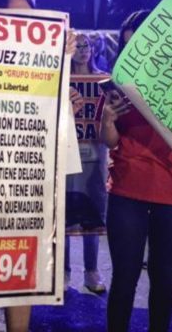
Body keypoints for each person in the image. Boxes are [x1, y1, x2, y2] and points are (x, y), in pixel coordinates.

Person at [0, 0, 78, 332]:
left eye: (30, 17)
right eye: (14, 17)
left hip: (25, 187)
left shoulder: (43, 65)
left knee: (21, 273)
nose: (23, 24)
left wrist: (63, 77)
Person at [101, 9, 172, 332]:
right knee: (125, 278)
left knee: (163, 278)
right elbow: (110, 141)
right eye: (127, 48)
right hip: (128, 187)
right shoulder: (119, 83)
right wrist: (107, 119)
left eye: (139, 47)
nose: (134, 55)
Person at [65, 32, 108, 294]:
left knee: (92, 212)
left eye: (87, 45)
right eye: (78, 46)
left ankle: (91, 272)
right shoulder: (60, 80)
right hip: (68, 155)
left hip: (95, 154)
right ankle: (64, 273)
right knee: (66, 212)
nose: (83, 50)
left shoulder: (104, 80)